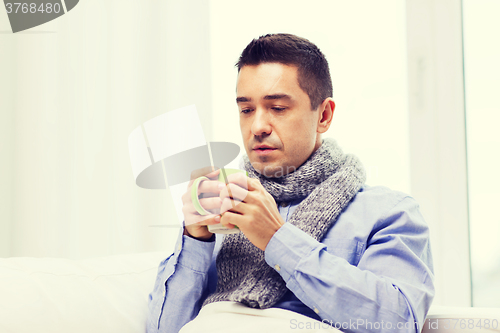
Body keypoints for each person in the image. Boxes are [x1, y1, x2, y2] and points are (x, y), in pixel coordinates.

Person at [146, 33, 434, 333]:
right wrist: (195, 239)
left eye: (278, 108)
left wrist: (278, 239)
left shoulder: (388, 212)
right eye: (246, 110)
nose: (257, 127)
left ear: (323, 115)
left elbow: (397, 322)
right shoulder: (218, 209)